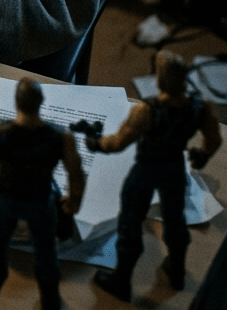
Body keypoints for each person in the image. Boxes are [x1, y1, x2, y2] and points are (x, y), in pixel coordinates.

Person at [89, 49, 221, 301]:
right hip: (174, 169)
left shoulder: (147, 110)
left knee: (130, 221)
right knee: (174, 218)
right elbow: (213, 140)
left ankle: (121, 280)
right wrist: (202, 155)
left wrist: (96, 143)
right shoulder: (199, 106)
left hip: (146, 170)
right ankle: (177, 270)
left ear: (160, 79)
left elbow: (118, 142)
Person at [0, 78, 84, 310]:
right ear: (41, 102)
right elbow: (76, 172)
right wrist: (73, 202)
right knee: (46, 252)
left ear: (16, 101)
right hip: (41, 200)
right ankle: (50, 302)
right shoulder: (62, 136)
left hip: (7, 200)